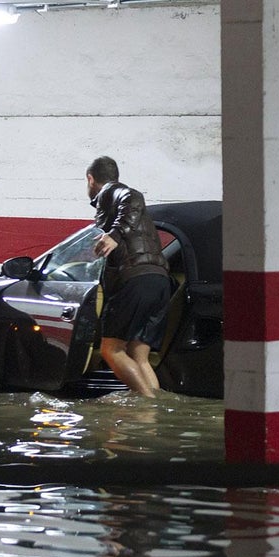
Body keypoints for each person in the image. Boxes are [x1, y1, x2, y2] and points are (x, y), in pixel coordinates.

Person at [86, 156, 171, 397]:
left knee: (110, 350)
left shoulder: (112, 192)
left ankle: (147, 405)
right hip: (159, 281)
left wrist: (114, 233)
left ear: (91, 179)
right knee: (139, 355)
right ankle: (157, 412)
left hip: (135, 280)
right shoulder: (118, 205)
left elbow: (133, 197)